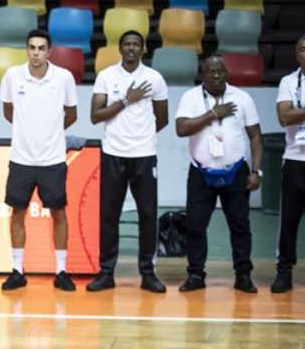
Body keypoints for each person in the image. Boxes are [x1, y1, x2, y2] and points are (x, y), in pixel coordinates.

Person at [88, 31, 170, 294]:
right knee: (108, 215)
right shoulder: (107, 76)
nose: (132, 48)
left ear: (143, 49)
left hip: (144, 155)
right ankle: (106, 272)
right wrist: (125, 100)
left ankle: (148, 273)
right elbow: (95, 115)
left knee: (148, 215)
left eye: (136, 44)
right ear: (120, 48)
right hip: (113, 153)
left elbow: (163, 118)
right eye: (127, 44)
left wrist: (141, 137)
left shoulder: (154, 78)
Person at [174, 55, 263, 294]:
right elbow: (181, 129)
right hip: (201, 172)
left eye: (220, 71)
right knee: (195, 226)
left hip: (236, 172)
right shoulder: (190, 98)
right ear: (202, 74)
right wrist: (213, 114)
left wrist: (256, 171)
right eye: (211, 71)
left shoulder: (242, 98)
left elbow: (255, 135)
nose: (216, 75)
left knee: (240, 226)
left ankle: (243, 275)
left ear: (227, 73)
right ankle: (195, 275)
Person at [0, 29, 79, 291]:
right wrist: (28, 130)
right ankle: (17, 270)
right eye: (32, 47)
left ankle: (61, 270)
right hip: (21, 158)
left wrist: (50, 132)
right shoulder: (12, 76)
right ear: (27, 49)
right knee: (18, 213)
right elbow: (9, 111)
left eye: (41, 48)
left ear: (49, 51)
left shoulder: (64, 77)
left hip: (53, 159)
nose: (36, 53)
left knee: (59, 213)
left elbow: (71, 114)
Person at [273, 35, 305, 293]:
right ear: (296, 54)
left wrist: (300, 110)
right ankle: (284, 271)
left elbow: (293, 113)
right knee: (288, 221)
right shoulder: (288, 81)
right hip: (295, 159)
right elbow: (284, 117)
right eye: (302, 49)